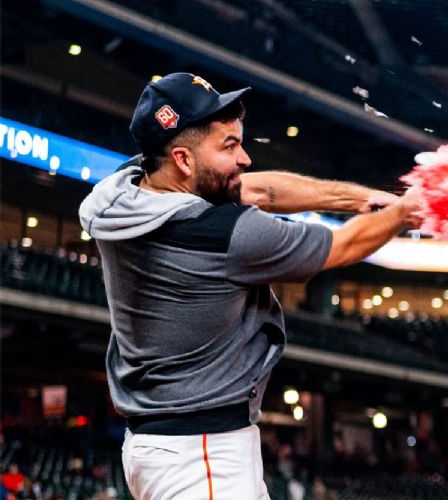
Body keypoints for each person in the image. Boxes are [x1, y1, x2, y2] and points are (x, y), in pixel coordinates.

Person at [78, 72, 423, 499]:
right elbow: (344, 245)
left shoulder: (124, 190)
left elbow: (259, 190)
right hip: (201, 454)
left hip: (162, 446)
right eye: (229, 146)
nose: (244, 159)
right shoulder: (225, 235)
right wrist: (406, 211)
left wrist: (357, 199)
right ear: (184, 160)